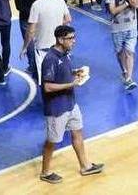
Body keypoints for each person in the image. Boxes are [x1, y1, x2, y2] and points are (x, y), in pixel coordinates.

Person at [39, 25, 103, 184]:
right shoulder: (50, 59)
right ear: (60, 40)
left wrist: (75, 72)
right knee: (52, 141)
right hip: (56, 109)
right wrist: (71, 85)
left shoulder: (65, 54)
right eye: (70, 38)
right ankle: (45, 172)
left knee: (77, 133)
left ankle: (85, 166)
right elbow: (47, 87)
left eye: (74, 37)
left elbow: (63, 73)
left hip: (70, 104)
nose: (73, 41)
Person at [21, 0, 72, 85]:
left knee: (47, 82)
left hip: (44, 50)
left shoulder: (36, 5)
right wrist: (56, 24)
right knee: (61, 77)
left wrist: (25, 47)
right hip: (60, 47)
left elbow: (30, 31)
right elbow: (68, 19)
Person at [104, 0, 138, 92]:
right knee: (120, 53)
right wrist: (126, 4)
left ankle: (129, 78)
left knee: (130, 52)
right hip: (117, 28)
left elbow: (135, 4)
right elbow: (113, 11)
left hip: (131, 26)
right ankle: (124, 72)